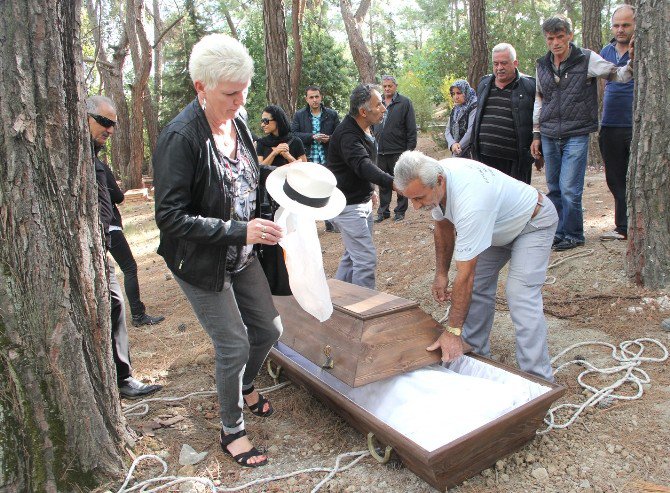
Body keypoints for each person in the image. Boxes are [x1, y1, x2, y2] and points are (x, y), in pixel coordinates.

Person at [153, 34, 283, 468]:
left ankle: (243, 387)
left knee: (268, 330)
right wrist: (238, 229)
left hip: (241, 252)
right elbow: (171, 217)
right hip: (202, 261)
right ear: (201, 88)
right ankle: (232, 429)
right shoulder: (180, 137)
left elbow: (250, 178)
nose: (240, 101)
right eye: (231, 93)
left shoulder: (239, 121)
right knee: (233, 344)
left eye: (245, 90)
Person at [394, 151, 558, 382]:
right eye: (410, 198)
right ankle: (475, 356)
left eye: (419, 198)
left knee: (520, 295)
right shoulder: (435, 176)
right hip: (496, 227)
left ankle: (538, 380)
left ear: (439, 181)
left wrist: (452, 331)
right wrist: (441, 274)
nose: (415, 206)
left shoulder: (471, 201)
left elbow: (465, 275)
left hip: (533, 222)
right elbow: (442, 224)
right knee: (479, 288)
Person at [530, 14, 634, 251]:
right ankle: (558, 232)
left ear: (569, 36)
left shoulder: (585, 58)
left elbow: (618, 74)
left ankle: (574, 234)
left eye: (559, 37)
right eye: (550, 38)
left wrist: (632, 63)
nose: (555, 43)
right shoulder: (542, 64)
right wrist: (536, 133)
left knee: (569, 188)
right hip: (548, 133)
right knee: (554, 188)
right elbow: (539, 99)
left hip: (576, 132)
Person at [86, 96, 163, 399]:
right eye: (104, 122)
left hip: (99, 243)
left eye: (114, 125)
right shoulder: (71, 156)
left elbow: (115, 198)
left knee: (115, 304)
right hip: (92, 244)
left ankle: (121, 377)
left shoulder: (96, 159)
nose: (110, 130)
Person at [326, 84, 394, 289]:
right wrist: (393, 183)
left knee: (352, 256)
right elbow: (362, 165)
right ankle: (364, 311)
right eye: (379, 104)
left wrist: (370, 190)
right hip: (347, 207)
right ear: (363, 111)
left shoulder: (365, 127)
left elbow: (361, 166)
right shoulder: (347, 135)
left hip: (359, 202)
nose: (383, 108)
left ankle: (337, 302)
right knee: (365, 260)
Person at [102, 164, 165, 327]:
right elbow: (118, 196)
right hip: (109, 226)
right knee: (129, 267)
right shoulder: (98, 167)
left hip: (93, 228)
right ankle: (137, 314)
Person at [471, 43, 537, 184]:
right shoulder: (484, 83)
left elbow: (539, 119)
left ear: (515, 63)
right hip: (484, 159)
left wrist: (538, 151)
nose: (499, 68)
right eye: (496, 64)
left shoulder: (529, 86)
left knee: (515, 203)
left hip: (515, 162)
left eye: (504, 63)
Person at [599, 5, 635, 241]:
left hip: (636, 124)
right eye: (616, 25)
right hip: (610, 124)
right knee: (615, 177)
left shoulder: (650, 50)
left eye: (626, 25)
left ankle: (635, 225)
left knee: (638, 177)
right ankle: (623, 227)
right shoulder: (606, 51)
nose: (620, 30)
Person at [291, 85, 341, 232]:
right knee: (309, 191)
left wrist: (329, 138)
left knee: (329, 189)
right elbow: (293, 134)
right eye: (311, 97)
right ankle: (309, 225)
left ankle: (331, 222)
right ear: (306, 99)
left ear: (321, 97)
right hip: (308, 158)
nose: (314, 100)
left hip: (327, 157)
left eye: (317, 96)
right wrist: (312, 136)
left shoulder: (331, 114)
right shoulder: (299, 115)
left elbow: (340, 135)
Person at [373, 75, 417, 223]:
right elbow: (372, 124)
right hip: (380, 151)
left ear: (395, 86)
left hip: (399, 150)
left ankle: (400, 211)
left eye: (389, 86)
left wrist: (409, 151)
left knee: (400, 181)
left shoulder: (404, 102)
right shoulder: (377, 103)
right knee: (383, 182)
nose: (386, 89)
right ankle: (383, 211)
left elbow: (411, 129)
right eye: (384, 86)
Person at [444, 80, 477, 159]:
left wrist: (458, 147)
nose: (456, 97)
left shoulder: (474, 106)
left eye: (459, 93)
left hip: (470, 153)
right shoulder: (456, 108)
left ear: (466, 92)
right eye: (453, 94)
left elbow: (471, 131)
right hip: (456, 151)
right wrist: (452, 144)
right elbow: (447, 130)